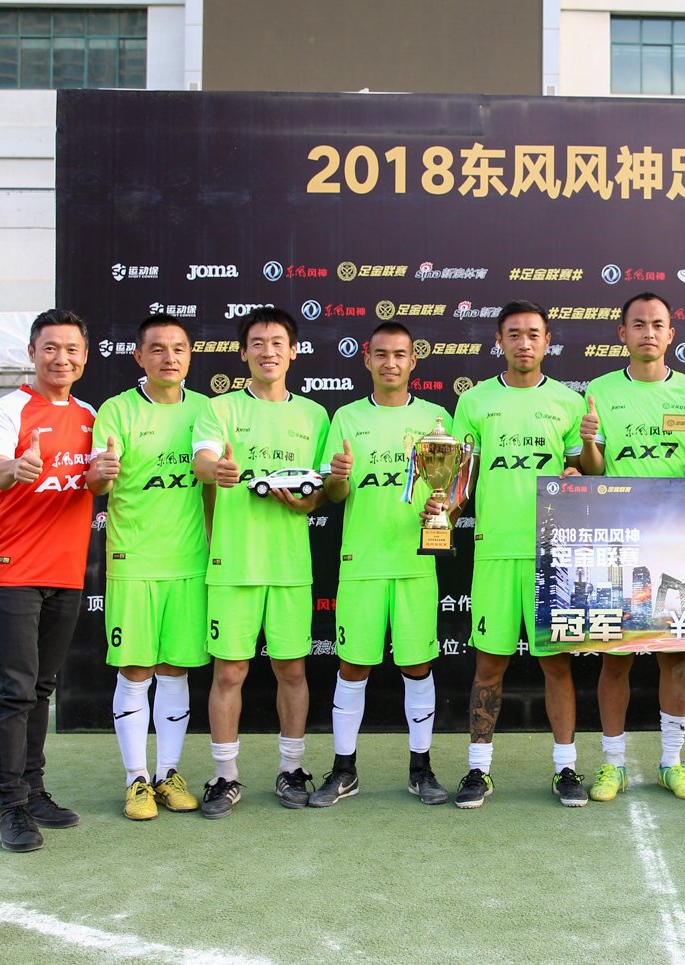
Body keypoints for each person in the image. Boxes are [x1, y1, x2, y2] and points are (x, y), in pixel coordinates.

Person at [191, 306, 330, 818]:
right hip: (234, 564)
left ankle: (292, 769)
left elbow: (320, 491)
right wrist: (218, 470)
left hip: (290, 566)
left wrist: (306, 501)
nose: (267, 352)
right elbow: (203, 460)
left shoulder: (315, 415)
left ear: (293, 351)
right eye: (257, 343)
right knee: (229, 673)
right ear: (243, 352)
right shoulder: (219, 408)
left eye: (277, 343)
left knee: (291, 670)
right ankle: (225, 776)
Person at [451, 300, 589, 808]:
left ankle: (566, 769)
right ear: (499, 341)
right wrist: (441, 507)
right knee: (489, 666)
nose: (524, 343)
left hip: (552, 553)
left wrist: (576, 476)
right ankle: (478, 770)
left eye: (533, 334)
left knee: (557, 665)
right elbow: (459, 477)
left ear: (547, 340)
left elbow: (582, 469)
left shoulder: (569, 403)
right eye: (514, 334)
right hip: (494, 551)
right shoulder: (474, 401)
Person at [311, 321, 453, 807]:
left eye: (399, 355)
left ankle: (421, 769)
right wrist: (337, 476)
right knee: (353, 666)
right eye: (381, 354)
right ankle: (344, 770)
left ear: (413, 361)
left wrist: (442, 509)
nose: (390, 363)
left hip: (415, 561)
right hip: (362, 562)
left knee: (417, 664)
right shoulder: (347, 417)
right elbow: (334, 494)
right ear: (367, 359)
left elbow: (451, 493)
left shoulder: (436, 418)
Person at [579, 292, 685, 803]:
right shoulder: (600, 389)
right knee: (616, 657)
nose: (648, 333)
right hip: (620, 539)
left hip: (677, 539)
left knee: (674, 657)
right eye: (638, 324)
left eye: (658, 324)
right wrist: (589, 443)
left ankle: (671, 762)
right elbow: (594, 471)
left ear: (671, 333)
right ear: (622, 333)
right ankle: (612, 764)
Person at [0, 308, 100, 852]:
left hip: (66, 572)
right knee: (15, 690)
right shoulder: (8, 409)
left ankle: (33, 788)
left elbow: (97, 479)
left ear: (85, 356)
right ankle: (11, 805)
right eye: (50, 348)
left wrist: (101, 476)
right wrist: (15, 469)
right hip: (13, 570)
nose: (61, 358)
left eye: (71, 349)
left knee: (43, 687)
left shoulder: (90, 415)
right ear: (32, 353)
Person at [88, 313, 211, 821]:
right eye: (157, 349)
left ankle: (168, 774)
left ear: (190, 356)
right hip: (133, 560)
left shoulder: (205, 410)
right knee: (137, 670)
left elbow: (212, 487)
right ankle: (136, 779)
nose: (169, 357)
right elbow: (98, 484)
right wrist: (100, 474)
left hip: (189, 562)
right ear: (139, 356)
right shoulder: (116, 410)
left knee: (175, 669)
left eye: (178, 348)